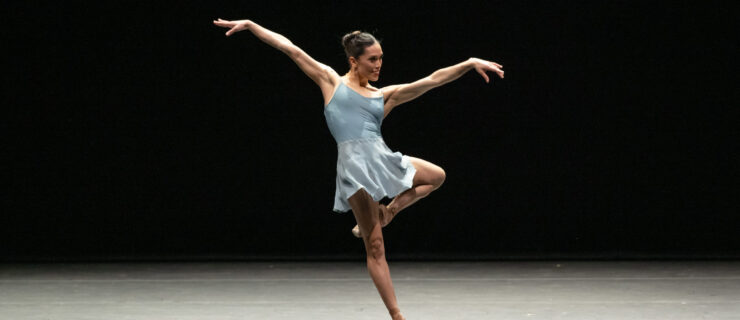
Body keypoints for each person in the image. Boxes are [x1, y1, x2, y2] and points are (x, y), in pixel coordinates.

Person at [213, 18, 504, 320]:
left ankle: (390, 211)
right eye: (372, 59)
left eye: (380, 58)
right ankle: (396, 315)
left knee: (436, 176)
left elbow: (432, 80)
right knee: (375, 245)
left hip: (382, 159)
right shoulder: (330, 81)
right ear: (354, 61)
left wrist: (469, 62)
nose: (379, 64)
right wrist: (250, 25)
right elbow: (290, 48)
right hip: (354, 169)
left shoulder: (383, 96)